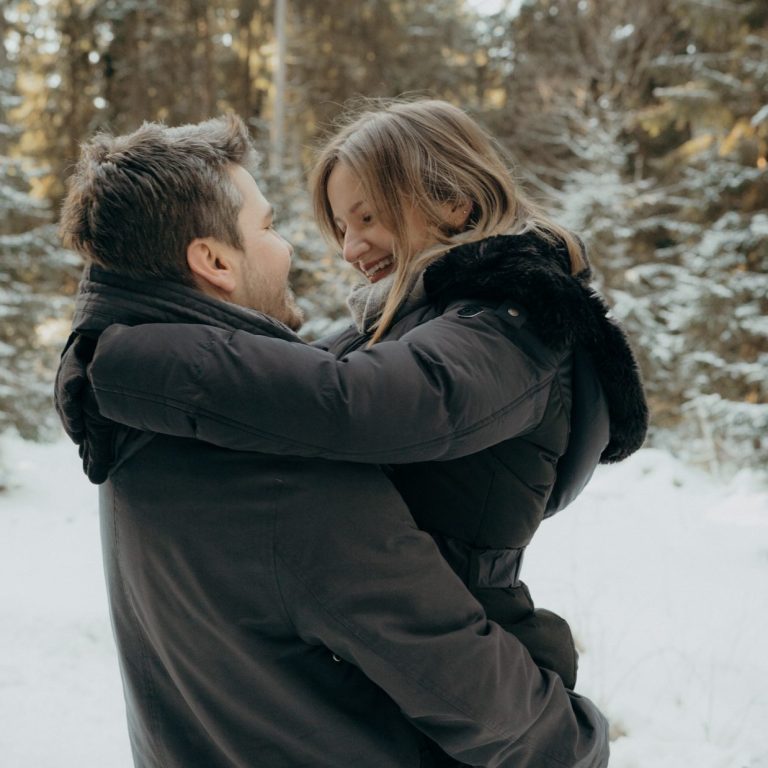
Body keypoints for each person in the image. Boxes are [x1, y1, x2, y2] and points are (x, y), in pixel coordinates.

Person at [55, 114, 611, 768]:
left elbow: (364, 390)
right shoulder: (276, 466)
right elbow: (497, 711)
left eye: (365, 220)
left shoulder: (141, 428)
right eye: (269, 226)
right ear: (212, 261)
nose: (314, 248)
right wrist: (579, 734)